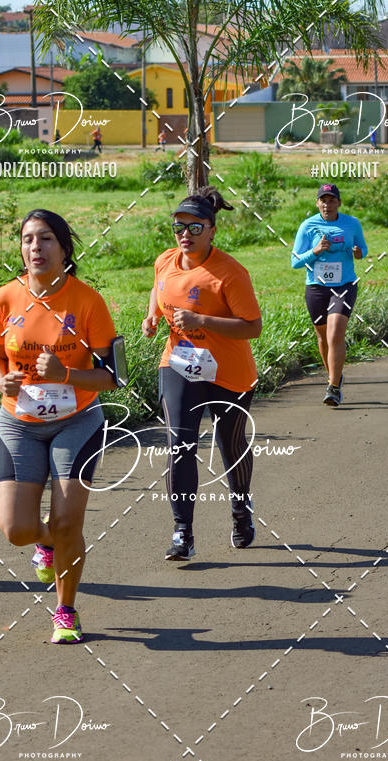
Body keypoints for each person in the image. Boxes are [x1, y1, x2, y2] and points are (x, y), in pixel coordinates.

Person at [0, 209, 120, 642]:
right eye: (27, 239)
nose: (35, 247)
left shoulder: (88, 301)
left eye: (45, 239)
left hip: (76, 422)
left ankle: (66, 611)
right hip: (18, 423)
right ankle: (47, 540)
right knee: (16, 530)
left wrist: (66, 374)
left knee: (68, 523)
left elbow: (113, 377)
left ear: (64, 248)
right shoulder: (6, 297)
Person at [141, 186, 262, 560]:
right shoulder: (165, 261)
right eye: (179, 227)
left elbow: (252, 327)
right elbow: (158, 288)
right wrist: (151, 317)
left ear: (212, 230)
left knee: (231, 445)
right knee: (180, 445)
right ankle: (183, 533)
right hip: (179, 364)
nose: (185, 234)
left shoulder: (230, 273)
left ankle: (241, 511)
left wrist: (202, 320)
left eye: (195, 228)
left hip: (229, 372)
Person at [290, 183, 368, 406]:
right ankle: (335, 376)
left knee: (335, 334)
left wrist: (358, 253)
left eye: (332, 200)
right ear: (317, 203)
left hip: (344, 285)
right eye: (323, 200)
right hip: (316, 286)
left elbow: (363, 250)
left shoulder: (352, 224)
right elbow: (295, 261)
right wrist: (315, 251)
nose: (327, 205)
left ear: (339, 203)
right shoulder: (308, 226)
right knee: (323, 337)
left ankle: (333, 387)